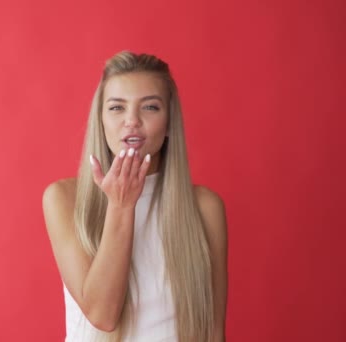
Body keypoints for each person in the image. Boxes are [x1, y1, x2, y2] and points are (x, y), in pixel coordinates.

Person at [42, 51, 228, 342]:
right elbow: (102, 315)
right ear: (100, 120)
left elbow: (213, 331)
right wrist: (121, 204)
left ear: (168, 124)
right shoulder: (64, 198)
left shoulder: (204, 207)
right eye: (117, 108)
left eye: (150, 107)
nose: (132, 121)